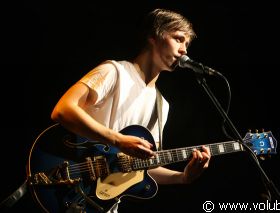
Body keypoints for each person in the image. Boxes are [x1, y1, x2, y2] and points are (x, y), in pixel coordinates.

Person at [51, 8, 211, 212]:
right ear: (154, 36)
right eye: (178, 39)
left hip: (102, 205)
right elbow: (63, 109)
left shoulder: (162, 106)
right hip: (69, 180)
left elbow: (141, 167)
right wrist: (117, 140)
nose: (184, 50)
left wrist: (183, 177)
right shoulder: (114, 72)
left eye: (187, 44)